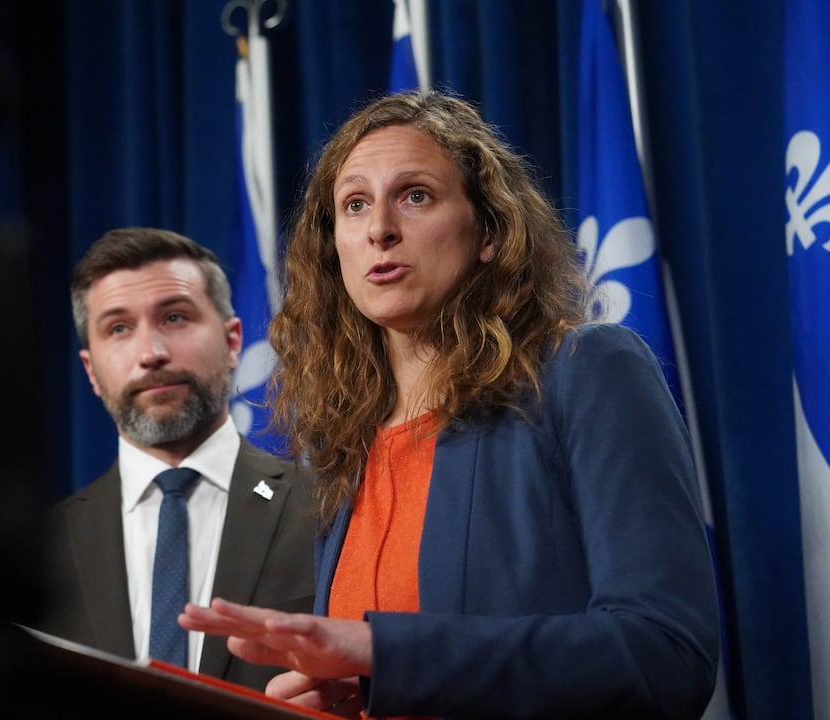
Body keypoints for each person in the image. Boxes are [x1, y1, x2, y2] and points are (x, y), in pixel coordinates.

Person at [179, 90, 720, 719]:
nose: (379, 228)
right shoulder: (341, 444)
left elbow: (667, 653)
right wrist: (356, 690)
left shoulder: (585, 371)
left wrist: (387, 651)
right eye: (354, 205)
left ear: (489, 231)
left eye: (415, 196)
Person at [36, 226, 319, 692]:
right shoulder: (40, 551)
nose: (151, 353)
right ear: (91, 370)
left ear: (232, 343)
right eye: (119, 328)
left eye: (174, 318)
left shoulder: (327, 509)